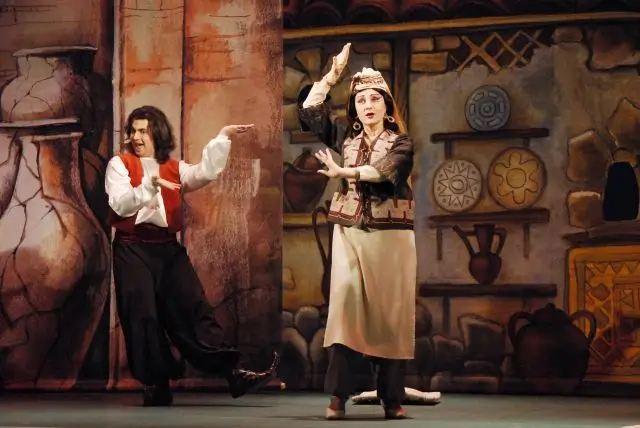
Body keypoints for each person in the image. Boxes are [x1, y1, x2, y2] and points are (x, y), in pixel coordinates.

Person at [105, 105, 278, 406]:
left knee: (192, 308)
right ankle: (156, 385)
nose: (136, 136)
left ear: (158, 133)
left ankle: (233, 373)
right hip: (132, 248)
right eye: (133, 130)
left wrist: (222, 137)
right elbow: (120, 205)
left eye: (143, 130)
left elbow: (204, 172)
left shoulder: (174, 167)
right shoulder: (119, 165)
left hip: (166, 248)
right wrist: (149, 185)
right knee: (142, 315)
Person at [298, 43, 416, 420]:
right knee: (345, 307)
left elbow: (384, 172)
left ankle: (391, 398)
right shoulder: (345, 138)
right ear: (354, 108)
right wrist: (332, 77)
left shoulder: (401, 143)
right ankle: (338, 397)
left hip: (390, 237)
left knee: (389, 314)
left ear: (386, 105)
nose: (368, 105)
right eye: (361, 99)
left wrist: (343, 172)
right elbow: (310, 112)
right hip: (350, 232)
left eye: (375, 98)